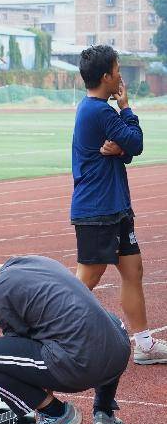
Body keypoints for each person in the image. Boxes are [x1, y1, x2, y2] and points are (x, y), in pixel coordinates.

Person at [0, 254, 131, 424]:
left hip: (81, 366)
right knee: (99, 322)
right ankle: (104, 412)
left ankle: (55, 415)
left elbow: (19, 351)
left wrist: (32, 402)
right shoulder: (33, 261)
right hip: (119, 354)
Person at [71, 44, 166, 365]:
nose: (121, 75)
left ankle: (144, 344)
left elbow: (125, 151)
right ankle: (55, 336)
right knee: (88, 277)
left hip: (115, 206)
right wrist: (126, 108)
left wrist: (121, 149)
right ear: (106, 76)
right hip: (96, 209)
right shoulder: (99, 111)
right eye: (118, 70)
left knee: (133, 270)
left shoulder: (97, 111)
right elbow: (136, 143)